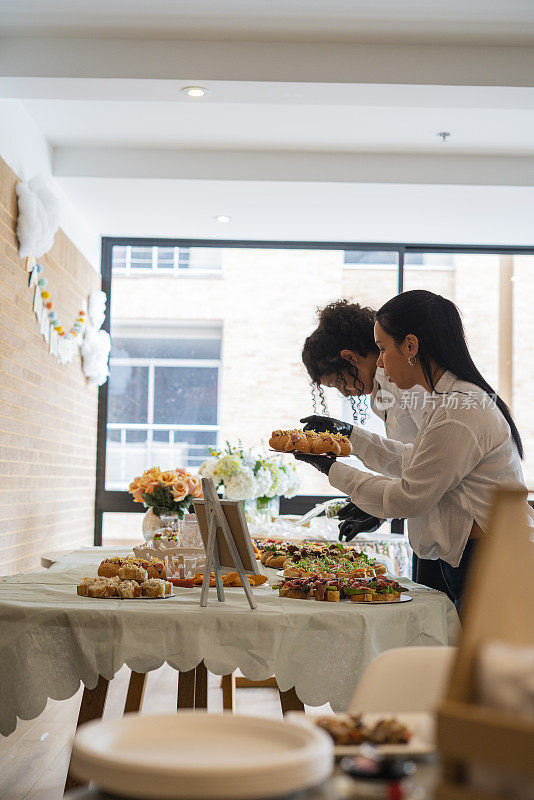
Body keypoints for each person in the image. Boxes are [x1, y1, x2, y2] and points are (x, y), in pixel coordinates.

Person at [298, 289, 531, 612]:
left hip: (492, 559)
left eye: (381, 349)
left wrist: (331, 469)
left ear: (411, 346)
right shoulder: (448, 401)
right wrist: (352, 438)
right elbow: (416, 460)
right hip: (472, 555)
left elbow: (410, 494)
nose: (379, 362)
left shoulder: (459, 408)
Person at [302, 300, 452, 598]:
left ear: (349, 357)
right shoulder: (383, 391)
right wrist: (380, 510)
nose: (343, 392)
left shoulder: (409, 384)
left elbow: (429, 463)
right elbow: (408, 460)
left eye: (336, 383)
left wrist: (376, 503)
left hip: (447, 529)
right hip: (428, 525)